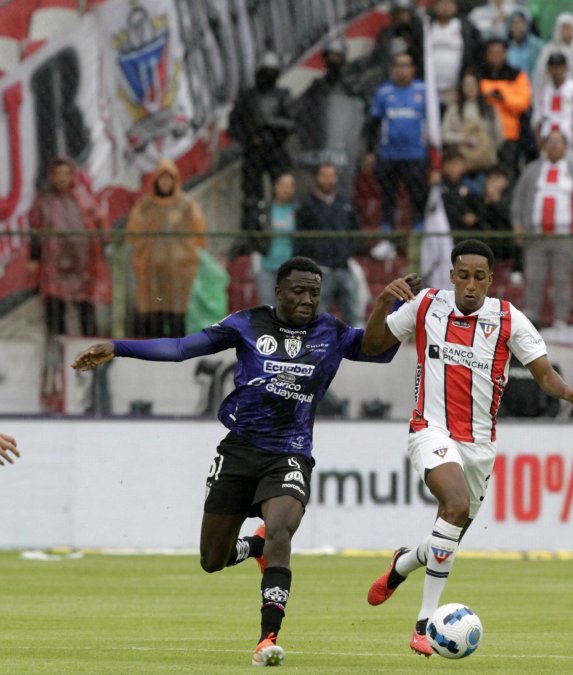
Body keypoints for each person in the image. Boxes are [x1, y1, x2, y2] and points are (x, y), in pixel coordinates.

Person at [70, 257, 416, 666]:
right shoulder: (247, 323)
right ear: (279, 292)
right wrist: (118, 347)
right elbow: (181, 349)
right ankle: (254, 546)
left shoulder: (331, 332)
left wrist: (388, 305)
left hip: (290, 452)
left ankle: (267, 639)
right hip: (239, 451)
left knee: (281, 531)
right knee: (212, 560)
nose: (308, 300)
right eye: (299, 291)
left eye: (315, 293)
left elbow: (378, 350)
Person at [362, 239, 573, 655]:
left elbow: (543, 373)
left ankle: (403, 562)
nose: (471, 285)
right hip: (430, 429)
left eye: (479, 277)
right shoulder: (426, 305)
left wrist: (570, 394)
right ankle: (424, 624)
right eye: (463, 276)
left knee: (448, 536)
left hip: (479, 445)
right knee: (455, 506)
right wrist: (384, 301)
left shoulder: (508, 318)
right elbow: (372, 347)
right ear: (452, 276)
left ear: (491, 280)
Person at [510, 130, 573, 327]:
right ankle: (530, 320)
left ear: (565, 147)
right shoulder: (532, 170)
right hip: (536, 235)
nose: (554, 146)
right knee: (533, 278)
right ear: (544, 146)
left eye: (558, 142)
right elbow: (519, 198)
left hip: (565, 235)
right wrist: (518, 223)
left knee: (562, 280)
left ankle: (560, 320)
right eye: (550, 141)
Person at [128, 157, 207, 338]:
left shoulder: (186, 205)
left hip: (178, 272)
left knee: (177, 315)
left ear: (175, 180)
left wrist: (185, 257)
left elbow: (198, 235)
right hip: (151, 272)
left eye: (168, 179)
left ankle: (177, 351)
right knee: (153, 316)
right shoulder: (145, 205)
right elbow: (133, 234)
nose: (165, 183)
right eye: (162, 179)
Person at [29, 157, 102, 337]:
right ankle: (58, 348)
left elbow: (99, 223)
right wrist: (34, 257)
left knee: (86, 308)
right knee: (55, 310)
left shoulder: (83, 198)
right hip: (54, 265)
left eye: (66, 174)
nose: (62, 178)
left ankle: (93, 349)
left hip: (82, 264)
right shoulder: (44, 201)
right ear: (52, 176)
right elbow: (35, 230)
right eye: (58, 174)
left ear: (72, 176)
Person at [295, 39, 368, 197]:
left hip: (346, 142)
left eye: (337, 56)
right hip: (322, 143)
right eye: (330, 56)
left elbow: (364, 112)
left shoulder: (353, 86)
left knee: (347, 179)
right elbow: (303, 110)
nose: (333, 60)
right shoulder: (317, 85)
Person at [295, 164, 363, 327]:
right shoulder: (307, 205)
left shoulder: (345, 203)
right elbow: (300, 237)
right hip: (320, 268)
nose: (328, 180)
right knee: (318, 315)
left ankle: (354, 341)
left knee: (353, 313)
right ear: (317, 178)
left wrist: (347, 251)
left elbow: (356, 231)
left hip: (343, 265)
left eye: (332, 175)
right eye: (324, 175)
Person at [370, 52, 430, 233]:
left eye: (406, 65)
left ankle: (419, 225)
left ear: (413, 69)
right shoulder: (383, 92)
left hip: (416, 153)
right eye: (399, 66)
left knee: (417, 193)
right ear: (392, 69)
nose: (402, 70)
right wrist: (370, 151)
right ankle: (387, 227)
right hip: (389, 153)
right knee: (388, 194)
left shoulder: (424, 90)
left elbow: (436, 116)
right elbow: (373, 123)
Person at [229, 52, 294, 207]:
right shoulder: (247, 96)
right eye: (265, 71)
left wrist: (270, 123)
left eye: (272, 72)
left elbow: (292, 123)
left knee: (282, 194)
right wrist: (248, 138)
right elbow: (234, 124)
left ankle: (280, 220)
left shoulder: (283, 95)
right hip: (253, 152)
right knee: (252, 198)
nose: (268, 76)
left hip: (276, 150)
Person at [480, 38, 534, 178]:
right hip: (483, 134)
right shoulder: (479, 75)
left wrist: (503, 98)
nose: (495, 56)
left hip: (509, 134)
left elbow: (523, 103)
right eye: (492, 53)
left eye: (499, 53)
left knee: (507, 173)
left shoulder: (517, 76)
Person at [532, 51, 573, 160]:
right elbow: (538, 123)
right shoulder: (543, 93)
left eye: (559, 67)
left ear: (566, 68)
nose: (557, 71)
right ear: (548, 70)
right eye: (553, 67)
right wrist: (541, 149)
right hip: (549, 149)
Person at [249, 173, 298, 307]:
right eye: (283, 185)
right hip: (266, 264)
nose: (287, 189)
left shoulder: (297, 211)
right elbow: (252, 233)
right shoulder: (264, 210)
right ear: (275, 187)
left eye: (291, 186)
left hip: (289, 268)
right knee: (267, 306)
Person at [442, 71, 506, 174]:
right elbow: (445, 134)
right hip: (462, 163)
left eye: (473, 84)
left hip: (485, 161)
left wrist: (487, 147)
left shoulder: (489, 109)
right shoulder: (454, 109)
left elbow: (499, 135)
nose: (470, 88)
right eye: (466, 85)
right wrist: (463, 139)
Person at [428, 0, 483, 101]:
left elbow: (476, 49)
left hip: (456, 88)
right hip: (430, 87)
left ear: (456, 7)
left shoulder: (465, 26)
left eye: (449, 4)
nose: (445, 7)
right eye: (442, 4)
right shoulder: (428, 26)